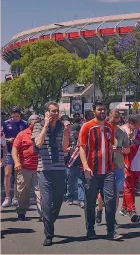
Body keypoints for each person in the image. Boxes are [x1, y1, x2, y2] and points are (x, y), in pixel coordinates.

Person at [78, 101, 122, 241]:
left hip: (108, 171)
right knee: (90, 202)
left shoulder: (110, 127)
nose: (102, 112)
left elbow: (110, 146)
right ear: (94, 110)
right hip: (92, 172)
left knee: (110, 200)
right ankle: (90, 229)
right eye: (99, 109)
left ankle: (111, 231)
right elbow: (82, 147)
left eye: (104, 110)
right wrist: (85, 166)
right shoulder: (87, 127)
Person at [32, 102, 70, 246]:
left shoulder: (61, 126)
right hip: (44, 169)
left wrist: (66, 132)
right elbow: (38, 143)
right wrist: (46, 125)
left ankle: (48, 220)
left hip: (60, 168)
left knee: (59, 201)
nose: (56, 113)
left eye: (57, 111)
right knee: (46, 203)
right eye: (53, 111)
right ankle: (49, 234)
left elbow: (65, 147)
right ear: (46, 113)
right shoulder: (38, 125)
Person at [96, 109, 129, 225]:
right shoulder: (103, 130)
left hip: (118, 165)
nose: (115, 121)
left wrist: (122, 149)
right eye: (113, 119)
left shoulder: (122, 132)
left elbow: (127, 148)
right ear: (108, 117)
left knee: (116, 193)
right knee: (103, 192)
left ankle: (112, 217)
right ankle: (99, 209)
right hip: (104, 165)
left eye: (117, 119)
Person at [12, 115, 40, 220]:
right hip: (24, 168)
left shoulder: (42, 133)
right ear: (29, 123)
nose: (37, 124)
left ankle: (43, 214)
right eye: (35, 122)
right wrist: (17, 162)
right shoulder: (22, 134)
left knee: (40, 191)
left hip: (39, 168)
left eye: (39, 122)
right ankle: (21, 211)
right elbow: (14, 149)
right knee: (22, 192)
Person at [119, 115, 140, 222]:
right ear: (131, 123)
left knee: (133, 187)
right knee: (128, 187)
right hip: (126, 163)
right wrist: (128, 138)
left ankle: (124, 207)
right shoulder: (122, 130)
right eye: (138, 122)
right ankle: (131, 210)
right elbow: (118, 146)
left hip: (138, 163)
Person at [2, 107, 28, 207]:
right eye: (13, 116)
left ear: (20, 115)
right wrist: (8, 140)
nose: (15, 118)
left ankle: (16, 197)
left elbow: (27, 136)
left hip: (19, 152)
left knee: (18, 175)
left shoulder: (24, 124)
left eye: (17, 116)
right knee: (7, 173)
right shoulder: (6, 123)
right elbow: (2, 137)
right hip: (8, 151)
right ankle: (7, 197)